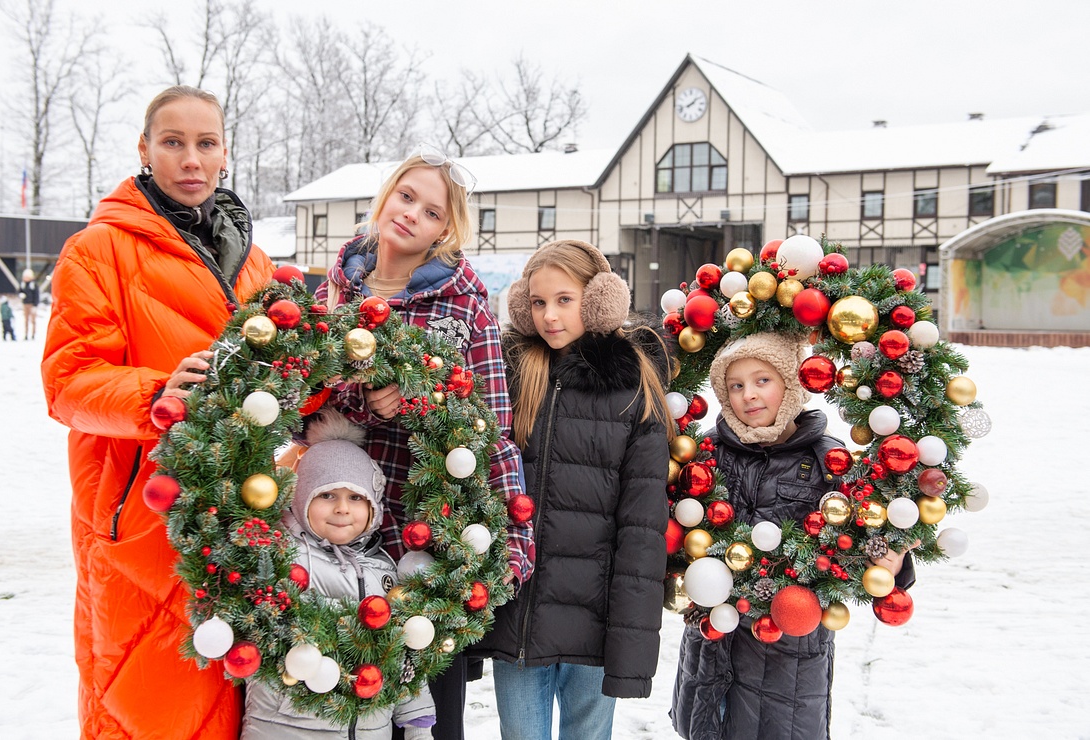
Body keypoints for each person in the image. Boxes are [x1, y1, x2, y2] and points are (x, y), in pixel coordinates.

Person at [40, 85, 275, 739]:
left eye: (206, 143)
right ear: (144, 150)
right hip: (140, 519)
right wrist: (156, 396)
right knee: (144, 707)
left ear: (225, 153)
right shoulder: (97, 250)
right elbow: (68, 381)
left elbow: (280, 380)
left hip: (236, 515)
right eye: (173, 142)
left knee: (233, 703)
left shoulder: (253, 263)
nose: (191, 159)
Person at [304, 145, 532, 740]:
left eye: (432, 212)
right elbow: (307, 394)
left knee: (428, 714)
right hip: (336, 528)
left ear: (445, 231)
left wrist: (510, 538)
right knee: (328, 698)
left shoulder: (464, 308)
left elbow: (489, 422)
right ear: (386, 196)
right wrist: (358, 395)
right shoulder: (337, 290)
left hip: (422, 533)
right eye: (406, 196)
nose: (411, 214)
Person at [471, 239, 673, 740]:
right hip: (517, 613)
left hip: (596, 619)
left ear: (600, 299)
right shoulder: (511, 376)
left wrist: (629, 651)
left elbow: (641, 529)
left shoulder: (633, 392)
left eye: (565, 299)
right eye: (538, 302)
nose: (549, 316)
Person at [670, 332, 916, 740]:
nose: (748, 395)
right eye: (736, 385)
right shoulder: (704, 454)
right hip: (711, 647)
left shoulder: (828, 459)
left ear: (792, 383)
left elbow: (861, 540)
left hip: (789, 657)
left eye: (762, 380)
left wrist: (894, 562)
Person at [243, 410, 435, 740]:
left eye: (356, 497)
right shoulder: (284, 557)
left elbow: (402, 655)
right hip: (287, 728)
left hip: (370, 730)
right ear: (301, 498)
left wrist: (418, 724)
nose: (342, 508)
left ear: (373, 505)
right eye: (327, 495)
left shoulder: (384, 570)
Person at [18, 268, 39, 339]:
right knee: (26, 320)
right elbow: (19, 291)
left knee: (33, 320)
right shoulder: (23, 285)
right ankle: (26, 334)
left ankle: (33, 334)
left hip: (32, 304)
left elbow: (36, 295)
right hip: (25, 304)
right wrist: (21, 294)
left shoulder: (34, 285)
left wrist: (35, 305)